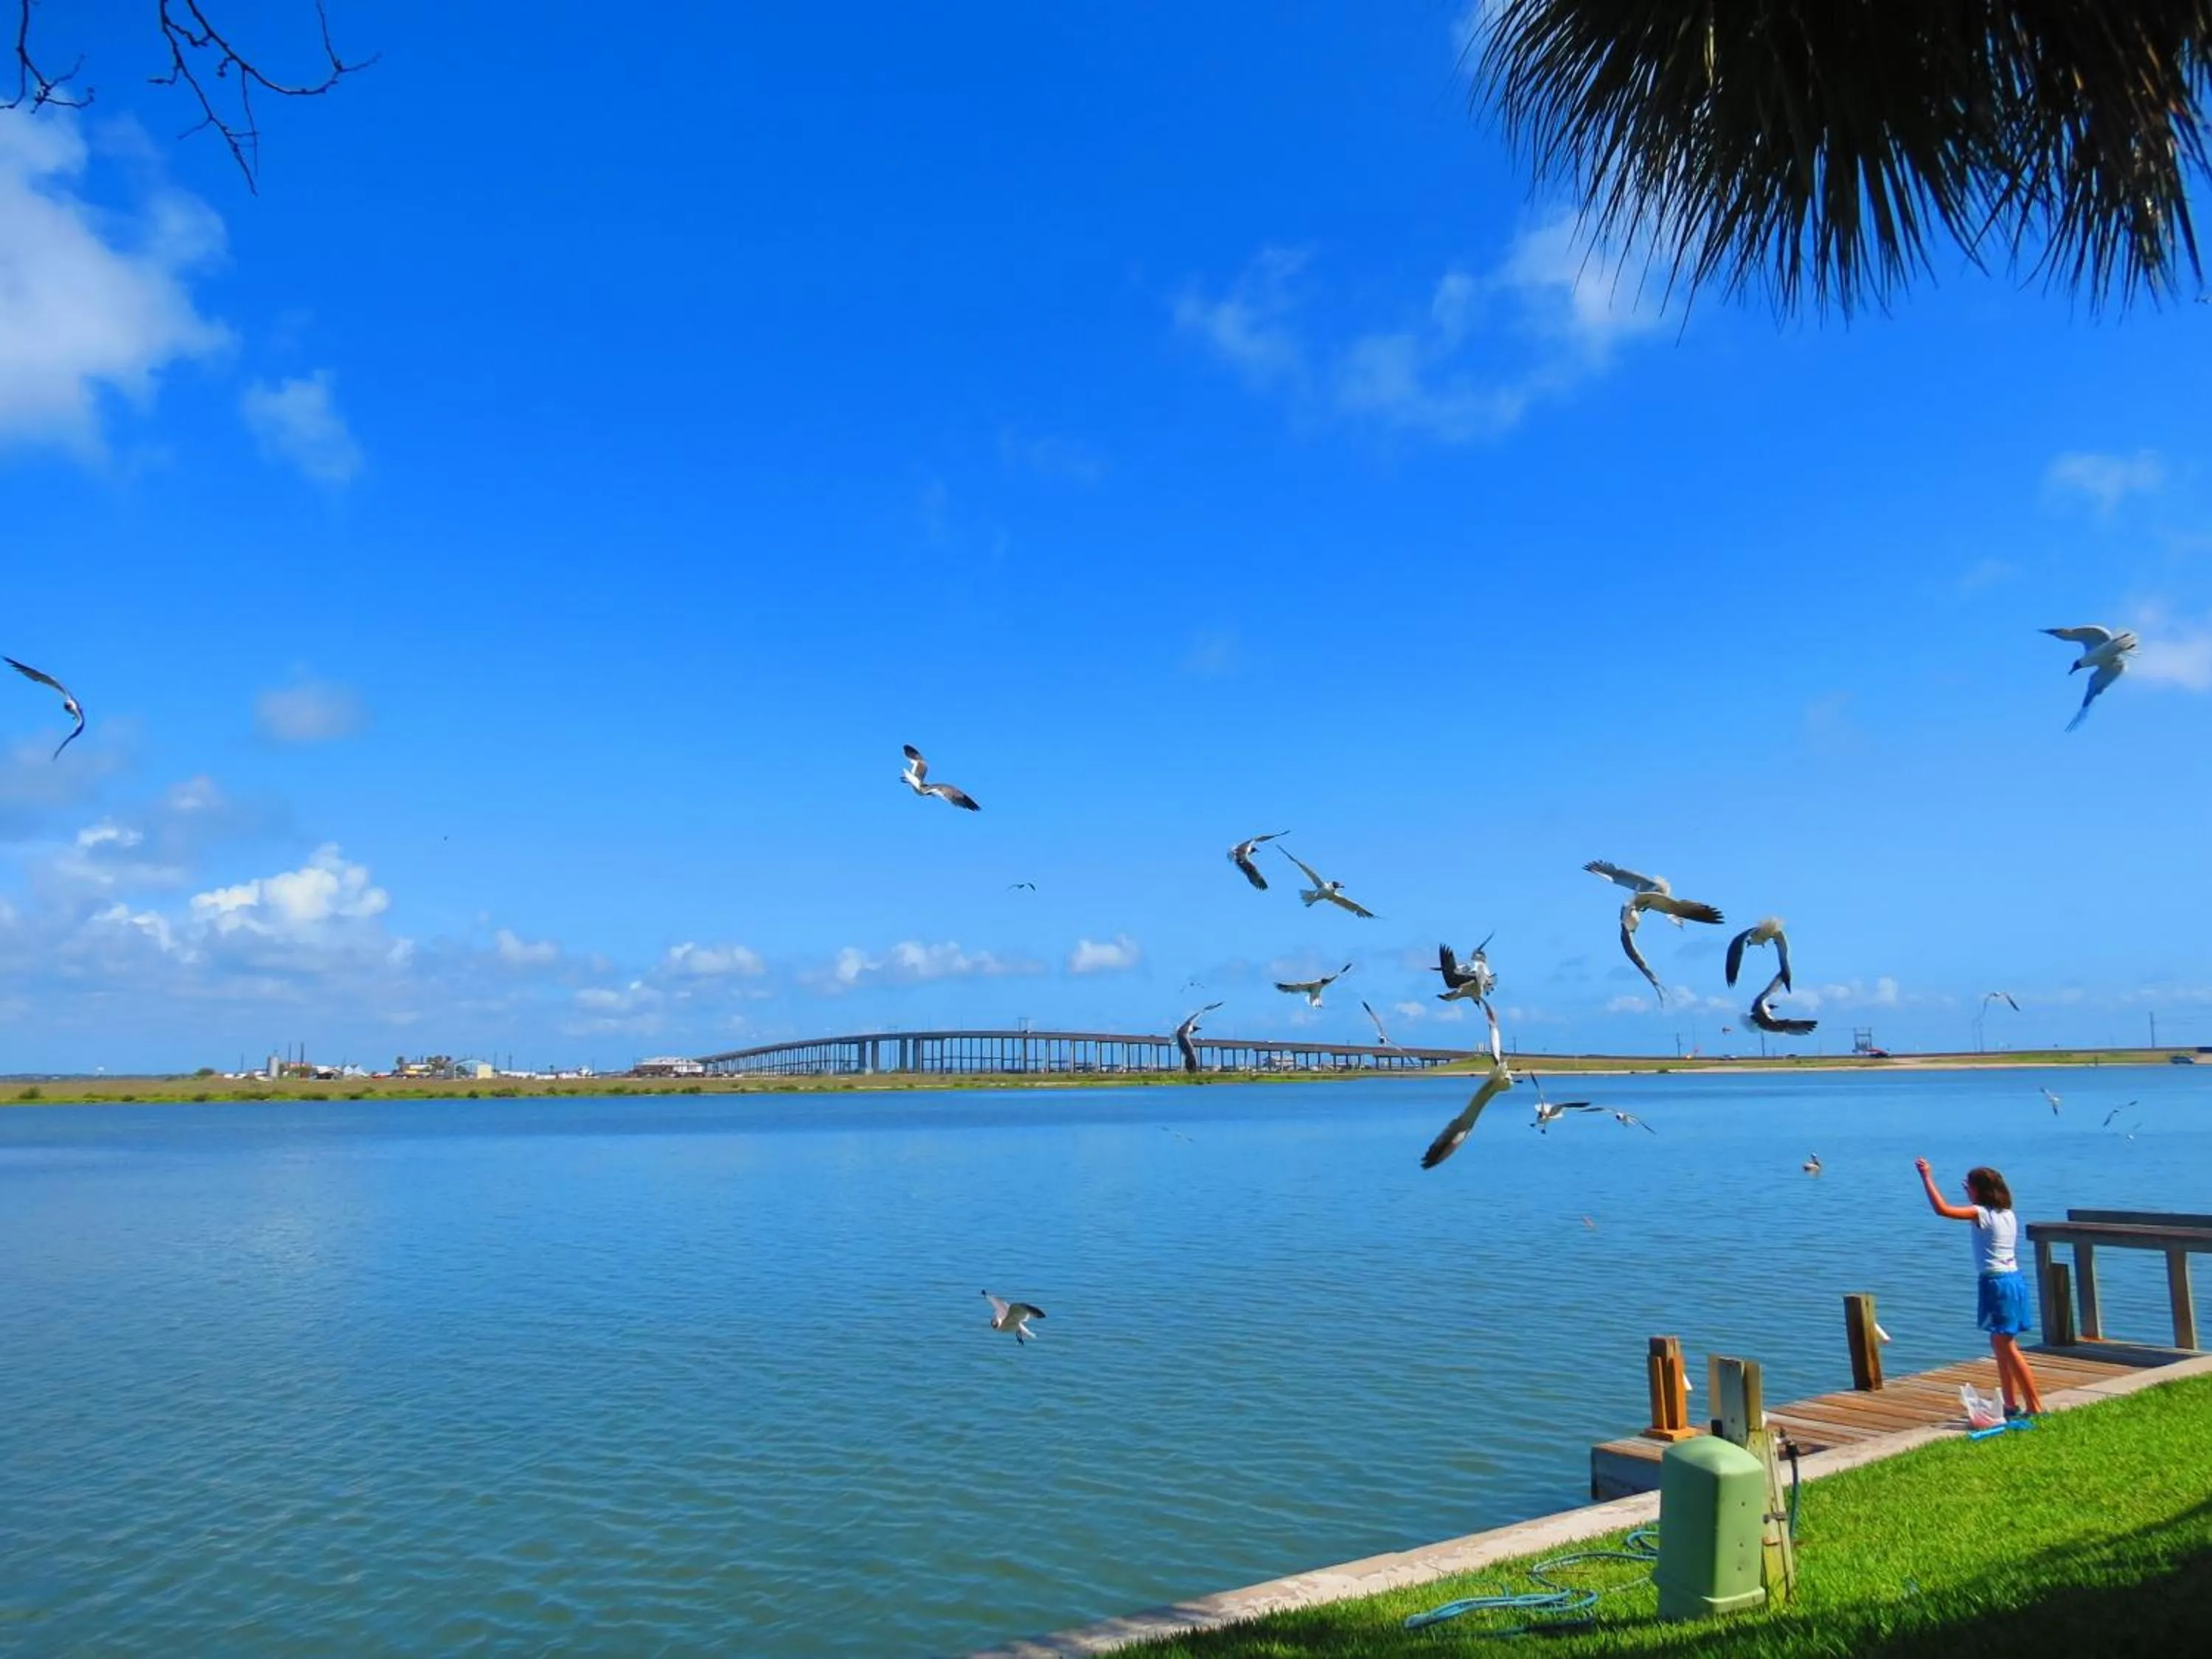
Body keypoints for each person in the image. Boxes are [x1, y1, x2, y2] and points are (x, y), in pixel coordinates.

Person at [1914, 1158, 2045, 1418]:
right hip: (2014, 1280)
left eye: (1970, 1187)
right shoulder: (2007, 1214)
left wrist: (1926, 1177)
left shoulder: (1980, 1214)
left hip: (1997, 1284)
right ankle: (2010, 1404)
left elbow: (1942, 1210)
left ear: (1978, 1191)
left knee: (2006, 1345)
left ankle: (2035, 1406)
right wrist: (1973, 1196)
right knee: (2000, 1343)